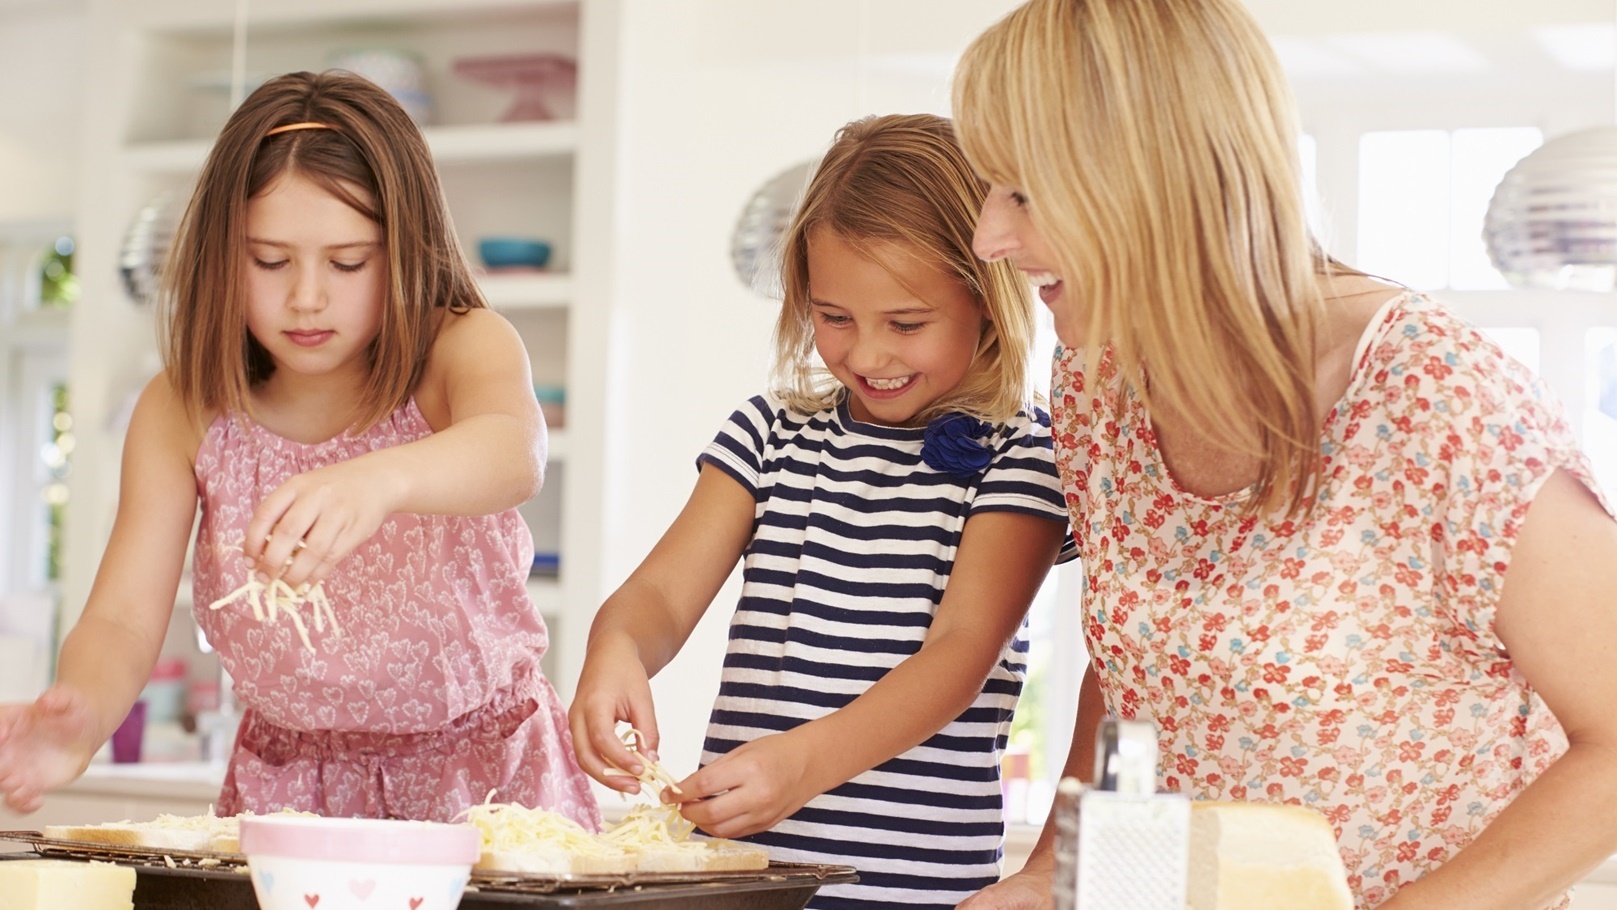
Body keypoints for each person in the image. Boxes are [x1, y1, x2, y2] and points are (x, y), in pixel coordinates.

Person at [950, 1, 1617, 909]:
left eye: (1021, 191)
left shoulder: (1434, 397)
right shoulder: (1097, 376)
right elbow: (1139, 670)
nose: (989, 236)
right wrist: (1048, 872)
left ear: (1151, 174)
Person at [0, 71, 599, 827]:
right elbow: (121, 618)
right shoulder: (183, 406)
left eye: (347, 262)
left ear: (405, 250)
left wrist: (376, 482)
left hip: (483, 782)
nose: (306, 297)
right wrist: (78, 720)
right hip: (292, 794)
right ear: (222, 255)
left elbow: (514, 451)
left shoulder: (458, 347)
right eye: (270, 261)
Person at [569, 113, 1075, 908]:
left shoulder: (1023, 454)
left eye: (905, 324)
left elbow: (959, 654)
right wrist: (615, 650)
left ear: (986, 298)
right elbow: (660, 597)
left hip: (916, 890)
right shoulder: (769, 434)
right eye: (834, 317)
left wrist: (801, 764)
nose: (866, 354)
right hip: (742, 881)